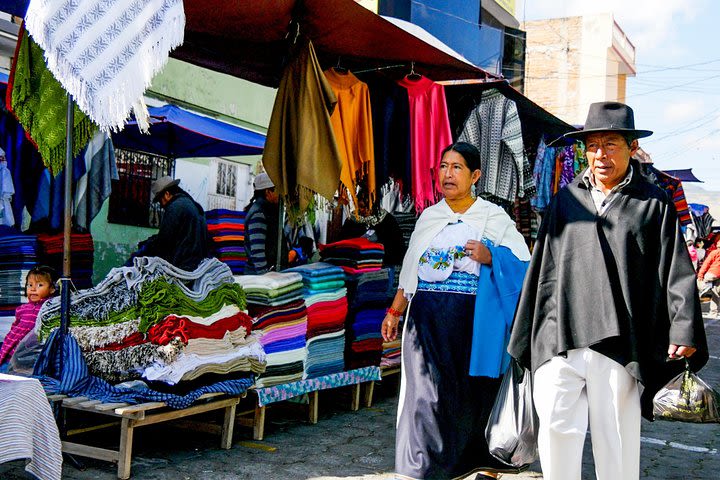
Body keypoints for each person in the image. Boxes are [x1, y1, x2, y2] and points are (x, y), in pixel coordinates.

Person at [508, 102, 708, 480]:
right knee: (555, 431)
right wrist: (528, 336)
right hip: (561, 340)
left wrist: (683, 327)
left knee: (615, 441)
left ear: (631, 148)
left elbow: (675, 269)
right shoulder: (565, 201)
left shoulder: (653, 204)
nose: (601, 154)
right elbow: (542, 271)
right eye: (593, 145)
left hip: (622, 343)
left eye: (611, 144)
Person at [381, 142, 531, 479]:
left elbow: (525, 263)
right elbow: (410, 272)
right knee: (426, 399)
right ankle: (425, 471)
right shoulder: (429, 217)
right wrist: (394, 312)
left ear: (475, 175)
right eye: (444, 166)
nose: (448, 174)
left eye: (457, 167)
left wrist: (491, 255)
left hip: (474, 324)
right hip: (427, 322)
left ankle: (482, 467)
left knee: (473, 398)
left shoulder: (493, 217)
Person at [137, 176, 210, 271]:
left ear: (167, 194)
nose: (161, 205)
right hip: (196, 261)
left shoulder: (175, 207)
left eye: (160, 201)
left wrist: (146, 247)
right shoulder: (190, 204)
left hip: (183, 262)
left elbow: (164, 240)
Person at [0, 266, 58, 368]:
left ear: (52, 289)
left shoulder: (50, 308)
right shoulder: (22, 309)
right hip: (9, 353)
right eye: (29, 285)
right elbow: (14, 329)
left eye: (40, 285)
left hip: (30, 356)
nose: (33, 289)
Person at [338, 185, 406, 267]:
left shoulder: (388, 221)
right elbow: (341, 246)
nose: (366, 210)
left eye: (369, 207)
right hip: (355, 267)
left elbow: (397, 249)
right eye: (362, 207)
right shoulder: (351, 221)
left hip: (382, 267)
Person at [244, 172, 290, 274]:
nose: (281, 194)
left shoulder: (269, 210)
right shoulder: (259, 213)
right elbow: (257, 252)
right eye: (278, 191)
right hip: (259, 277)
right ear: (268, 192)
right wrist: (265, 278)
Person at [697, 237, 720, 317]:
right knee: (715, 294)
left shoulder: (714, 252)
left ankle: (705, 289)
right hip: (718, 276)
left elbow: (706, 264)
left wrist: (700, 275)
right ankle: (713, 312)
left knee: (701, 282)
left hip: (712, 274)